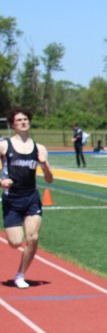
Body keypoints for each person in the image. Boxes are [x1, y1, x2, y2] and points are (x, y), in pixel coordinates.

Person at [1, 107, 54, 289]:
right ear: (13, 124)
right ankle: (19, 272)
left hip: (31, 197)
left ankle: (20, 274)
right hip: (12, 199)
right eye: (19, 120)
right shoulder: (4, 145)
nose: (23, 122)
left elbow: (49, 179)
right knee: (15, 242)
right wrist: (1, 182)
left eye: (25, 119)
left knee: (33, 237)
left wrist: (44, 164)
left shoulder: (39, 148)